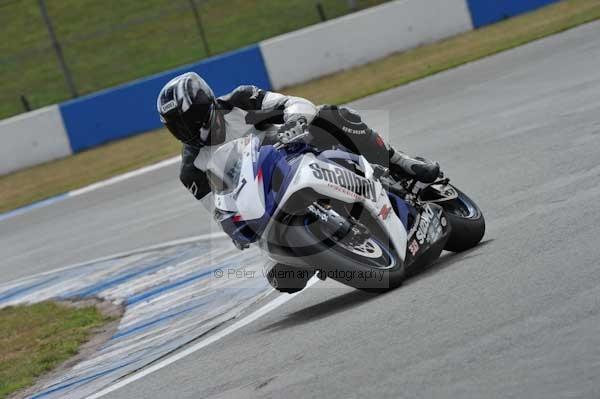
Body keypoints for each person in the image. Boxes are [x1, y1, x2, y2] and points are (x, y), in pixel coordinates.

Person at [156, 72, 440, 201]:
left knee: (329, 114)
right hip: (267, 198)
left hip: (297, 153)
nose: (187, 131)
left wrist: (294, 123)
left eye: (190, 120)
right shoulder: (191, 171)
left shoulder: (241, 100)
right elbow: (219, 215)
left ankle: (399, 161)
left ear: (206, 104)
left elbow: (294, 103)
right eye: (177, 127)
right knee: (282, 278)